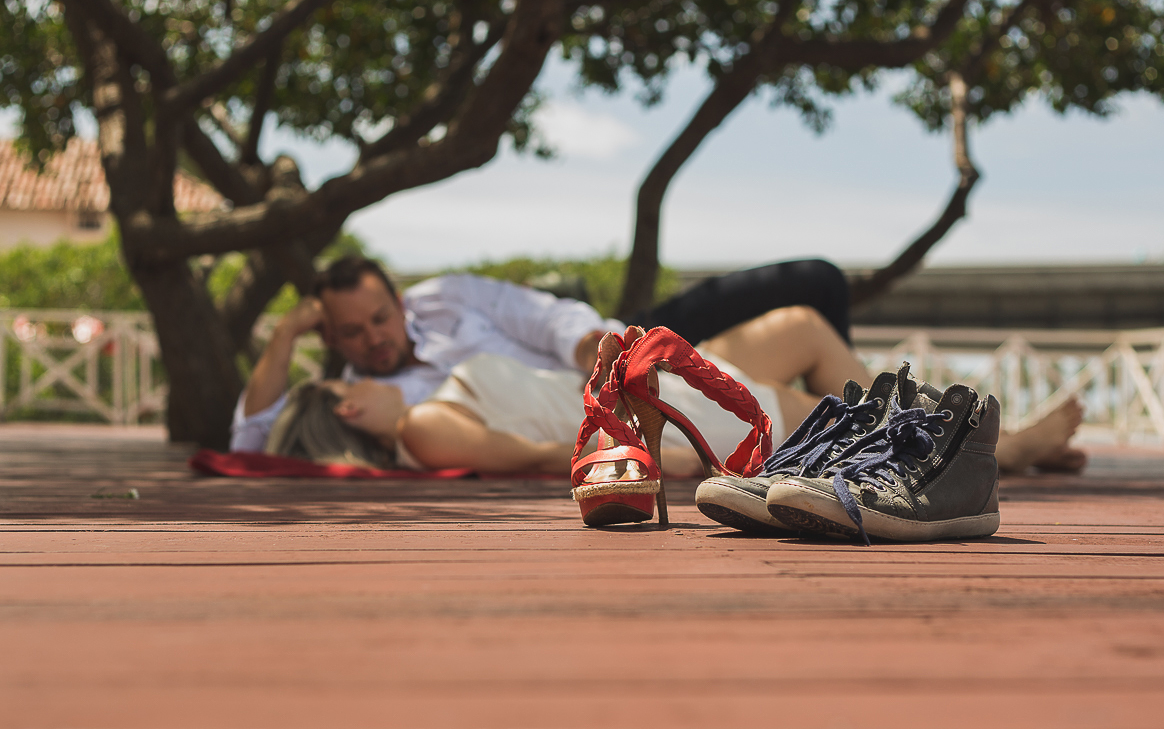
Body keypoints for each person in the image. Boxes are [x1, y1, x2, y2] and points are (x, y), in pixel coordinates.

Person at [232, 256, 1084, 476]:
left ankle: (967, 438)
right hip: (626, 410)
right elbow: (260, 431)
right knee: (792, 394)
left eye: (380, 317)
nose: (375, 340)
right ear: (334, 351)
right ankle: (986, 447)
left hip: (618, 365)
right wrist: (284, 336)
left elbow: (550, 318)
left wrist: (596, 355)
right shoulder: (406, 409)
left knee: (804, 321)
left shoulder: (447, 300)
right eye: (353, 336)